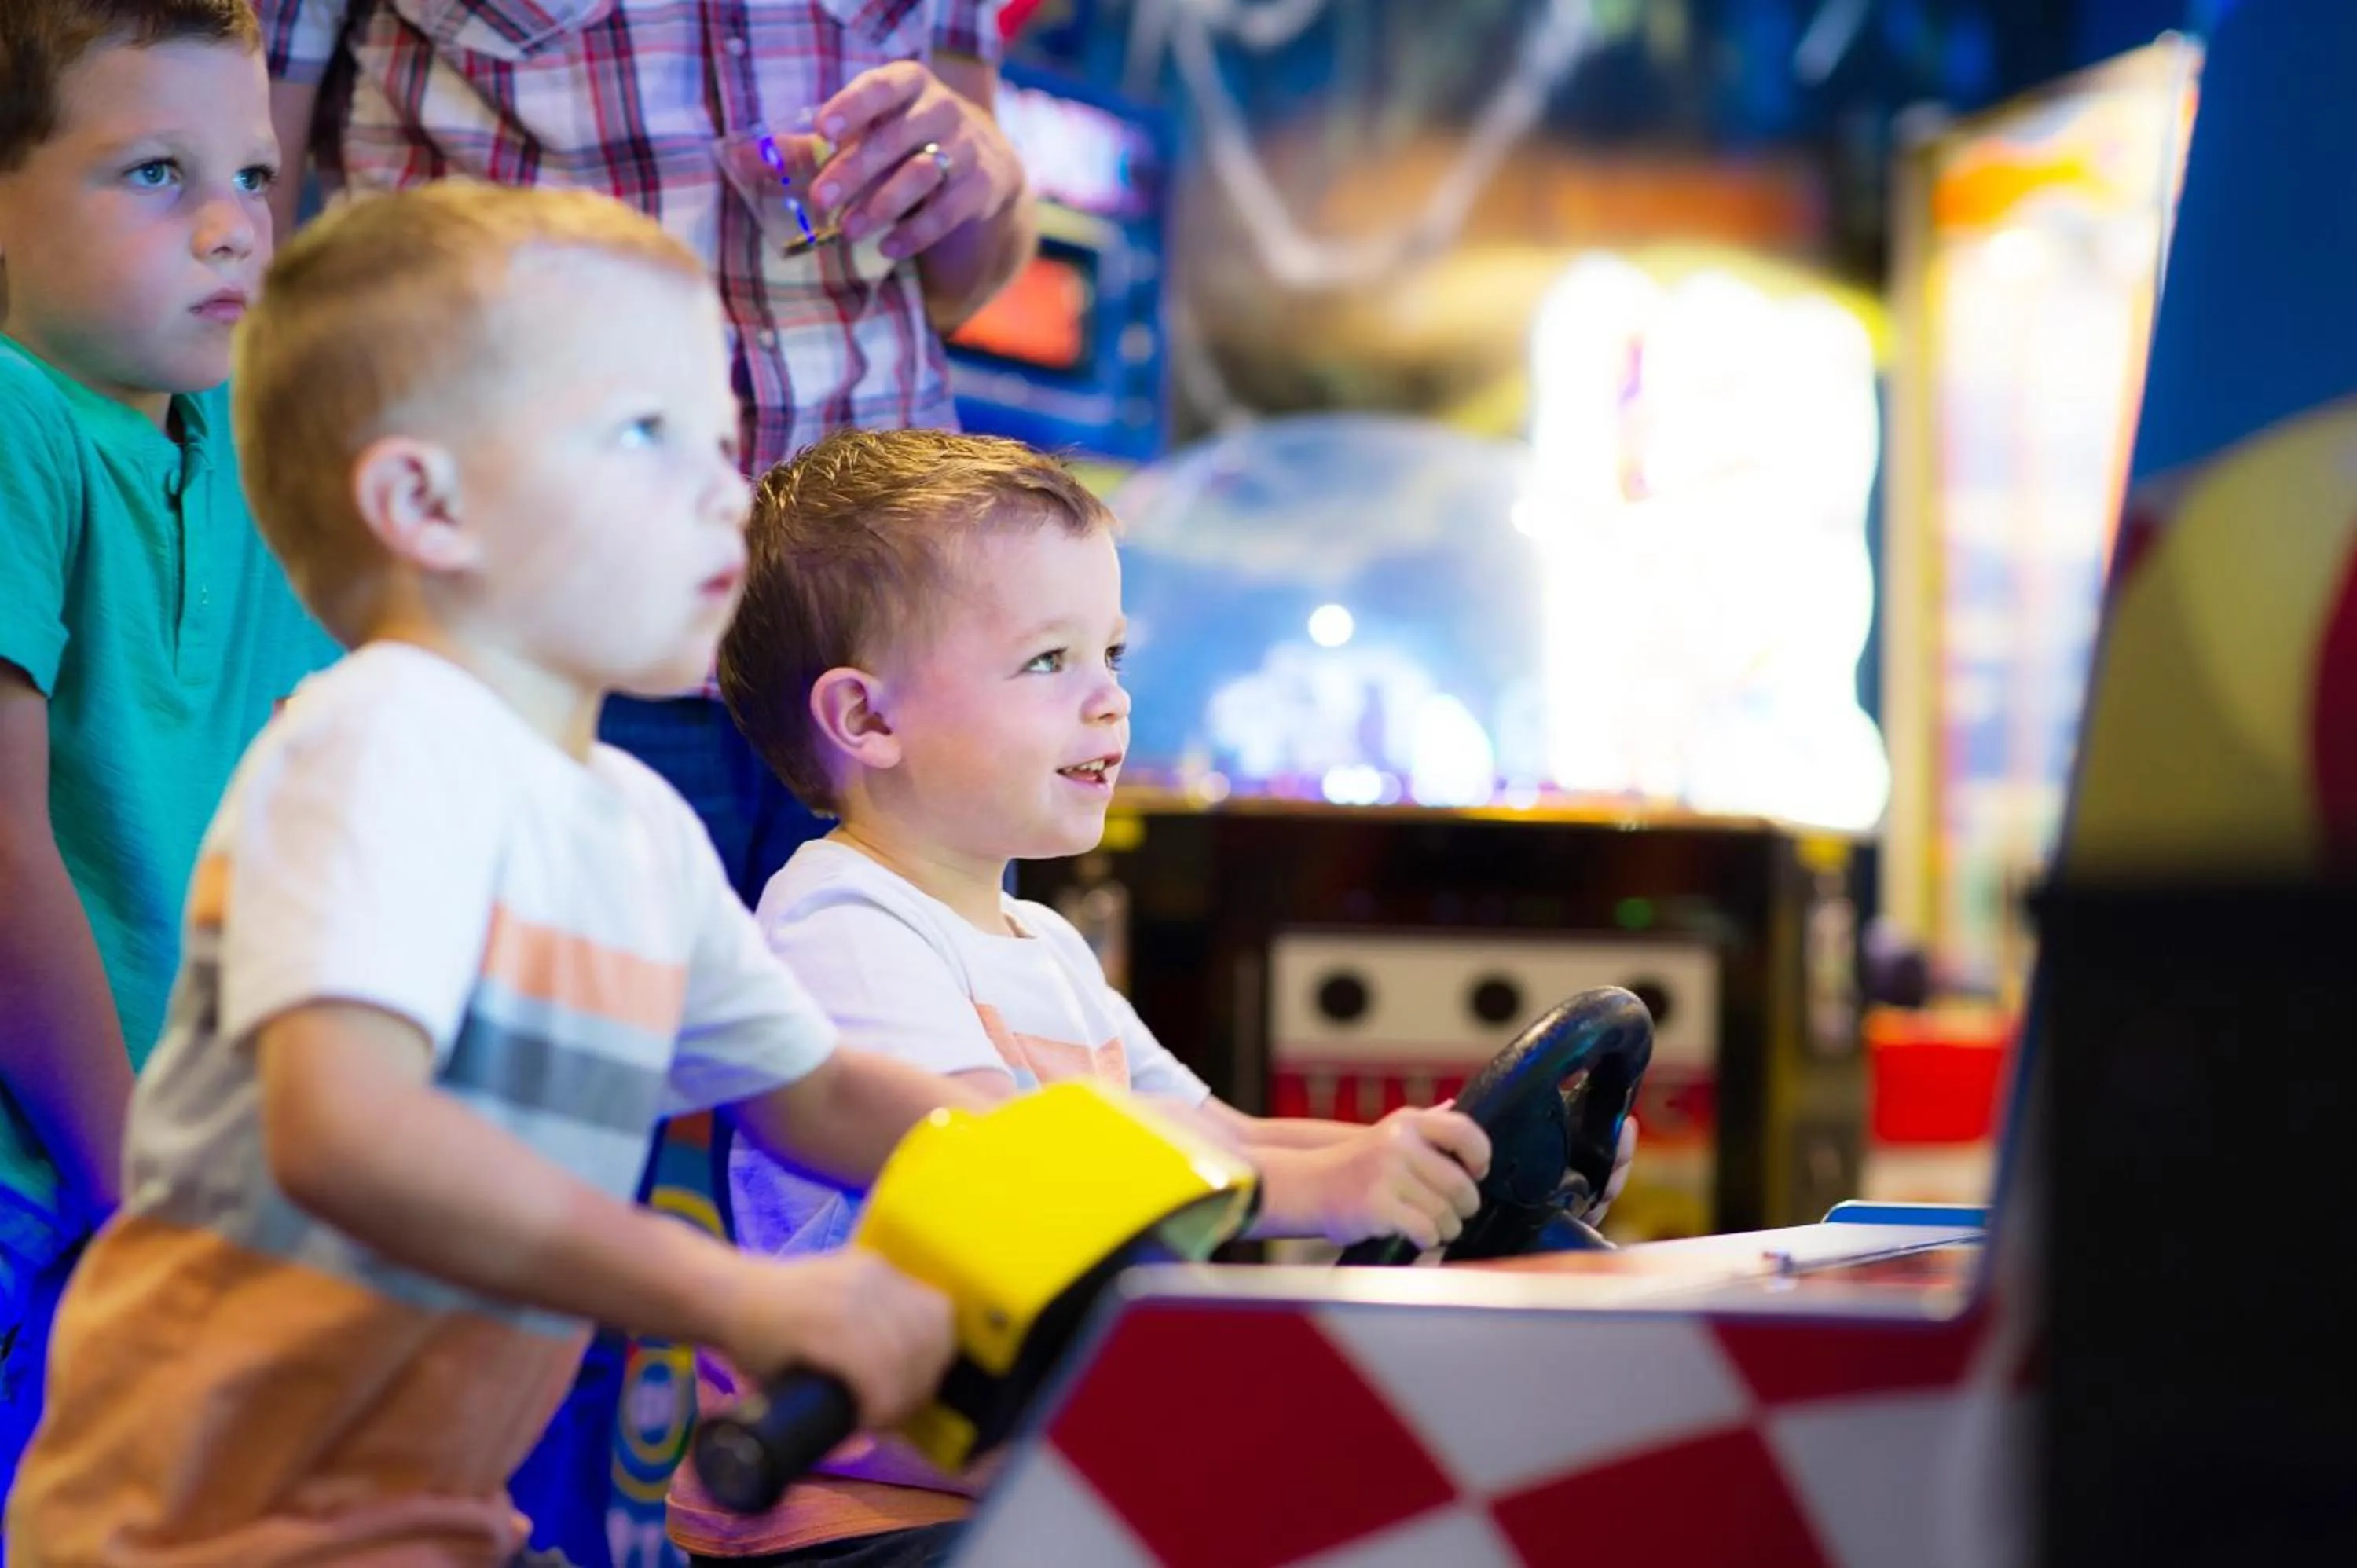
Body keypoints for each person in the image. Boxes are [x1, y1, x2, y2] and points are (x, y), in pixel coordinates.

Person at [4, 181, 986, 1565]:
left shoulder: (630, 824)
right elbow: (348, 1133)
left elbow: (814, 1091)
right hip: (203, 1521)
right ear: (426, 504)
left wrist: (1093, 1171)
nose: (725, 490)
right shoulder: (382, 740)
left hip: (432, 1507)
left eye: (723, 438)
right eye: (647, 435)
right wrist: (732, 1295)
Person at [669, 430, 1635, 1566]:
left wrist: (1437, 1158)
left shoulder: (1040, 942)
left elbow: (1214, 1135)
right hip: (873, 1515)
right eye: (1047, 663)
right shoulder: (844, 919)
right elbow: (1018, 1171)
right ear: (868, 721)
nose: (1108, 704)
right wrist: (1323, 1186)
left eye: (1113, 655)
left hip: (1033, 1483)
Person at [252, 0, 1039, 909]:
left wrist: (986, 171)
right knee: (543, 1039)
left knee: (931, 1033)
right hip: (532, 635)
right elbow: (237, 222)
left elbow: (959, 284)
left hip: (896, 632)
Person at [0, 0, 339, 1484]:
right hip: (46, 1186)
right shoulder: (19, 416)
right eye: (154, 174)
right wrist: (139, 1182)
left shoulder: (255, 459)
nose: (229, 229)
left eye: (254, 177)